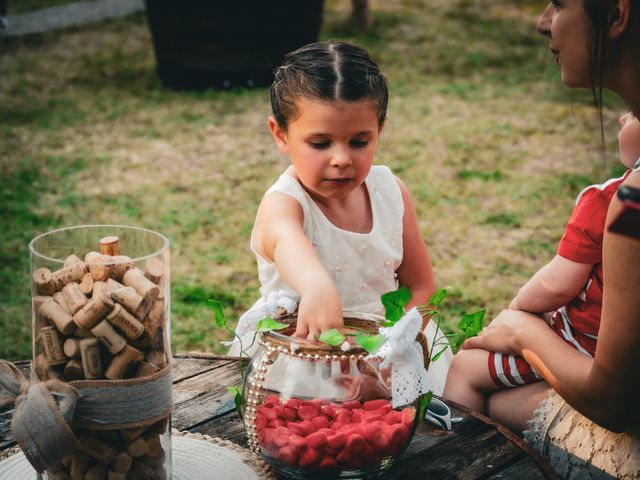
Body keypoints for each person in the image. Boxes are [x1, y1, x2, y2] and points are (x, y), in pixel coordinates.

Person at [444, 1, 640, 478]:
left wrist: (521, 330)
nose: (542, 22)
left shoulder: (632, 205)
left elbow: (612, 404)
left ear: (616, 14)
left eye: (559, 2)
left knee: (487, 391)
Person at [230, 41, 450, 389]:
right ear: (281, 134)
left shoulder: (391, 193)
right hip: (308, 360)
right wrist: (317, 287)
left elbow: (420, 287)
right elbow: (288, 241)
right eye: (320, 144)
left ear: (380, 130)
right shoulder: (285, 205)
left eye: (359, 142)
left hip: (387, 354)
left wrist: (390, 353)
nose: (341, 159)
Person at [443, 111, 640, 412]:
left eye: (634, 111)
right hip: (624, 354)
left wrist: (518, 310)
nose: (622, 118)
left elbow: (557, 285)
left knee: (464, 367)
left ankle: (455, 453)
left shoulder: (611, 200)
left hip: (585, 345)